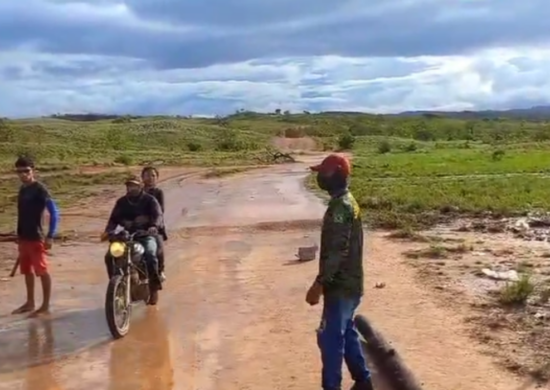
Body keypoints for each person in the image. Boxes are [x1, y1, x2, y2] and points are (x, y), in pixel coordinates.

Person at [306, 154, 374, 390]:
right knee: (346, 332)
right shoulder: (347, 201)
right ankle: (363, 380)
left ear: (334, 174)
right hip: (350, 283)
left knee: (330, 339)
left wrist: (319, 284)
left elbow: (337, 251)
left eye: (322, 173)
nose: (318, 178)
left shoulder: (340, 207)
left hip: (341, 285)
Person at [103, 175, 163, 304]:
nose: (131, 188)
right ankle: (115, 286)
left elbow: (158, 215)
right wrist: (109, 231)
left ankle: (154, 289)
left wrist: (153, 226)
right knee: (109, 256)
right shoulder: (122, 202)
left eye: (134, 185)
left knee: (151, 255)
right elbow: (113, 220)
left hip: (145, 235)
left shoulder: (150, 200)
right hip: (125, 236)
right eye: (129, 185)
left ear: (140, 186)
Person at [12, 156, 59, 317]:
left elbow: (54, 212)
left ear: (33, 171)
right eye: (20, 172)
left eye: (26, 171)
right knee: (26, 270)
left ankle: (45, 305)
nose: (23, 175)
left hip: (36, 237)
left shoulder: (40, 189)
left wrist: (50, 235)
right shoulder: (23, 190)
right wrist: (18, 235)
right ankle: (30, 302)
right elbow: (21, 214)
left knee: (42, 271)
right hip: (24, 236)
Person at [141, 166, 167, 282]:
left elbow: (161, 211)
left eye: (153, 175)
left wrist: (153, 224)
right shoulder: (138, 192)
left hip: (154, 226)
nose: (150, 178)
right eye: (147, 175)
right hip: (137, 228)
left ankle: (160, 271)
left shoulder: (158, 192)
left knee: (158, 249)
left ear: (157, 178)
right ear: (142, 177)